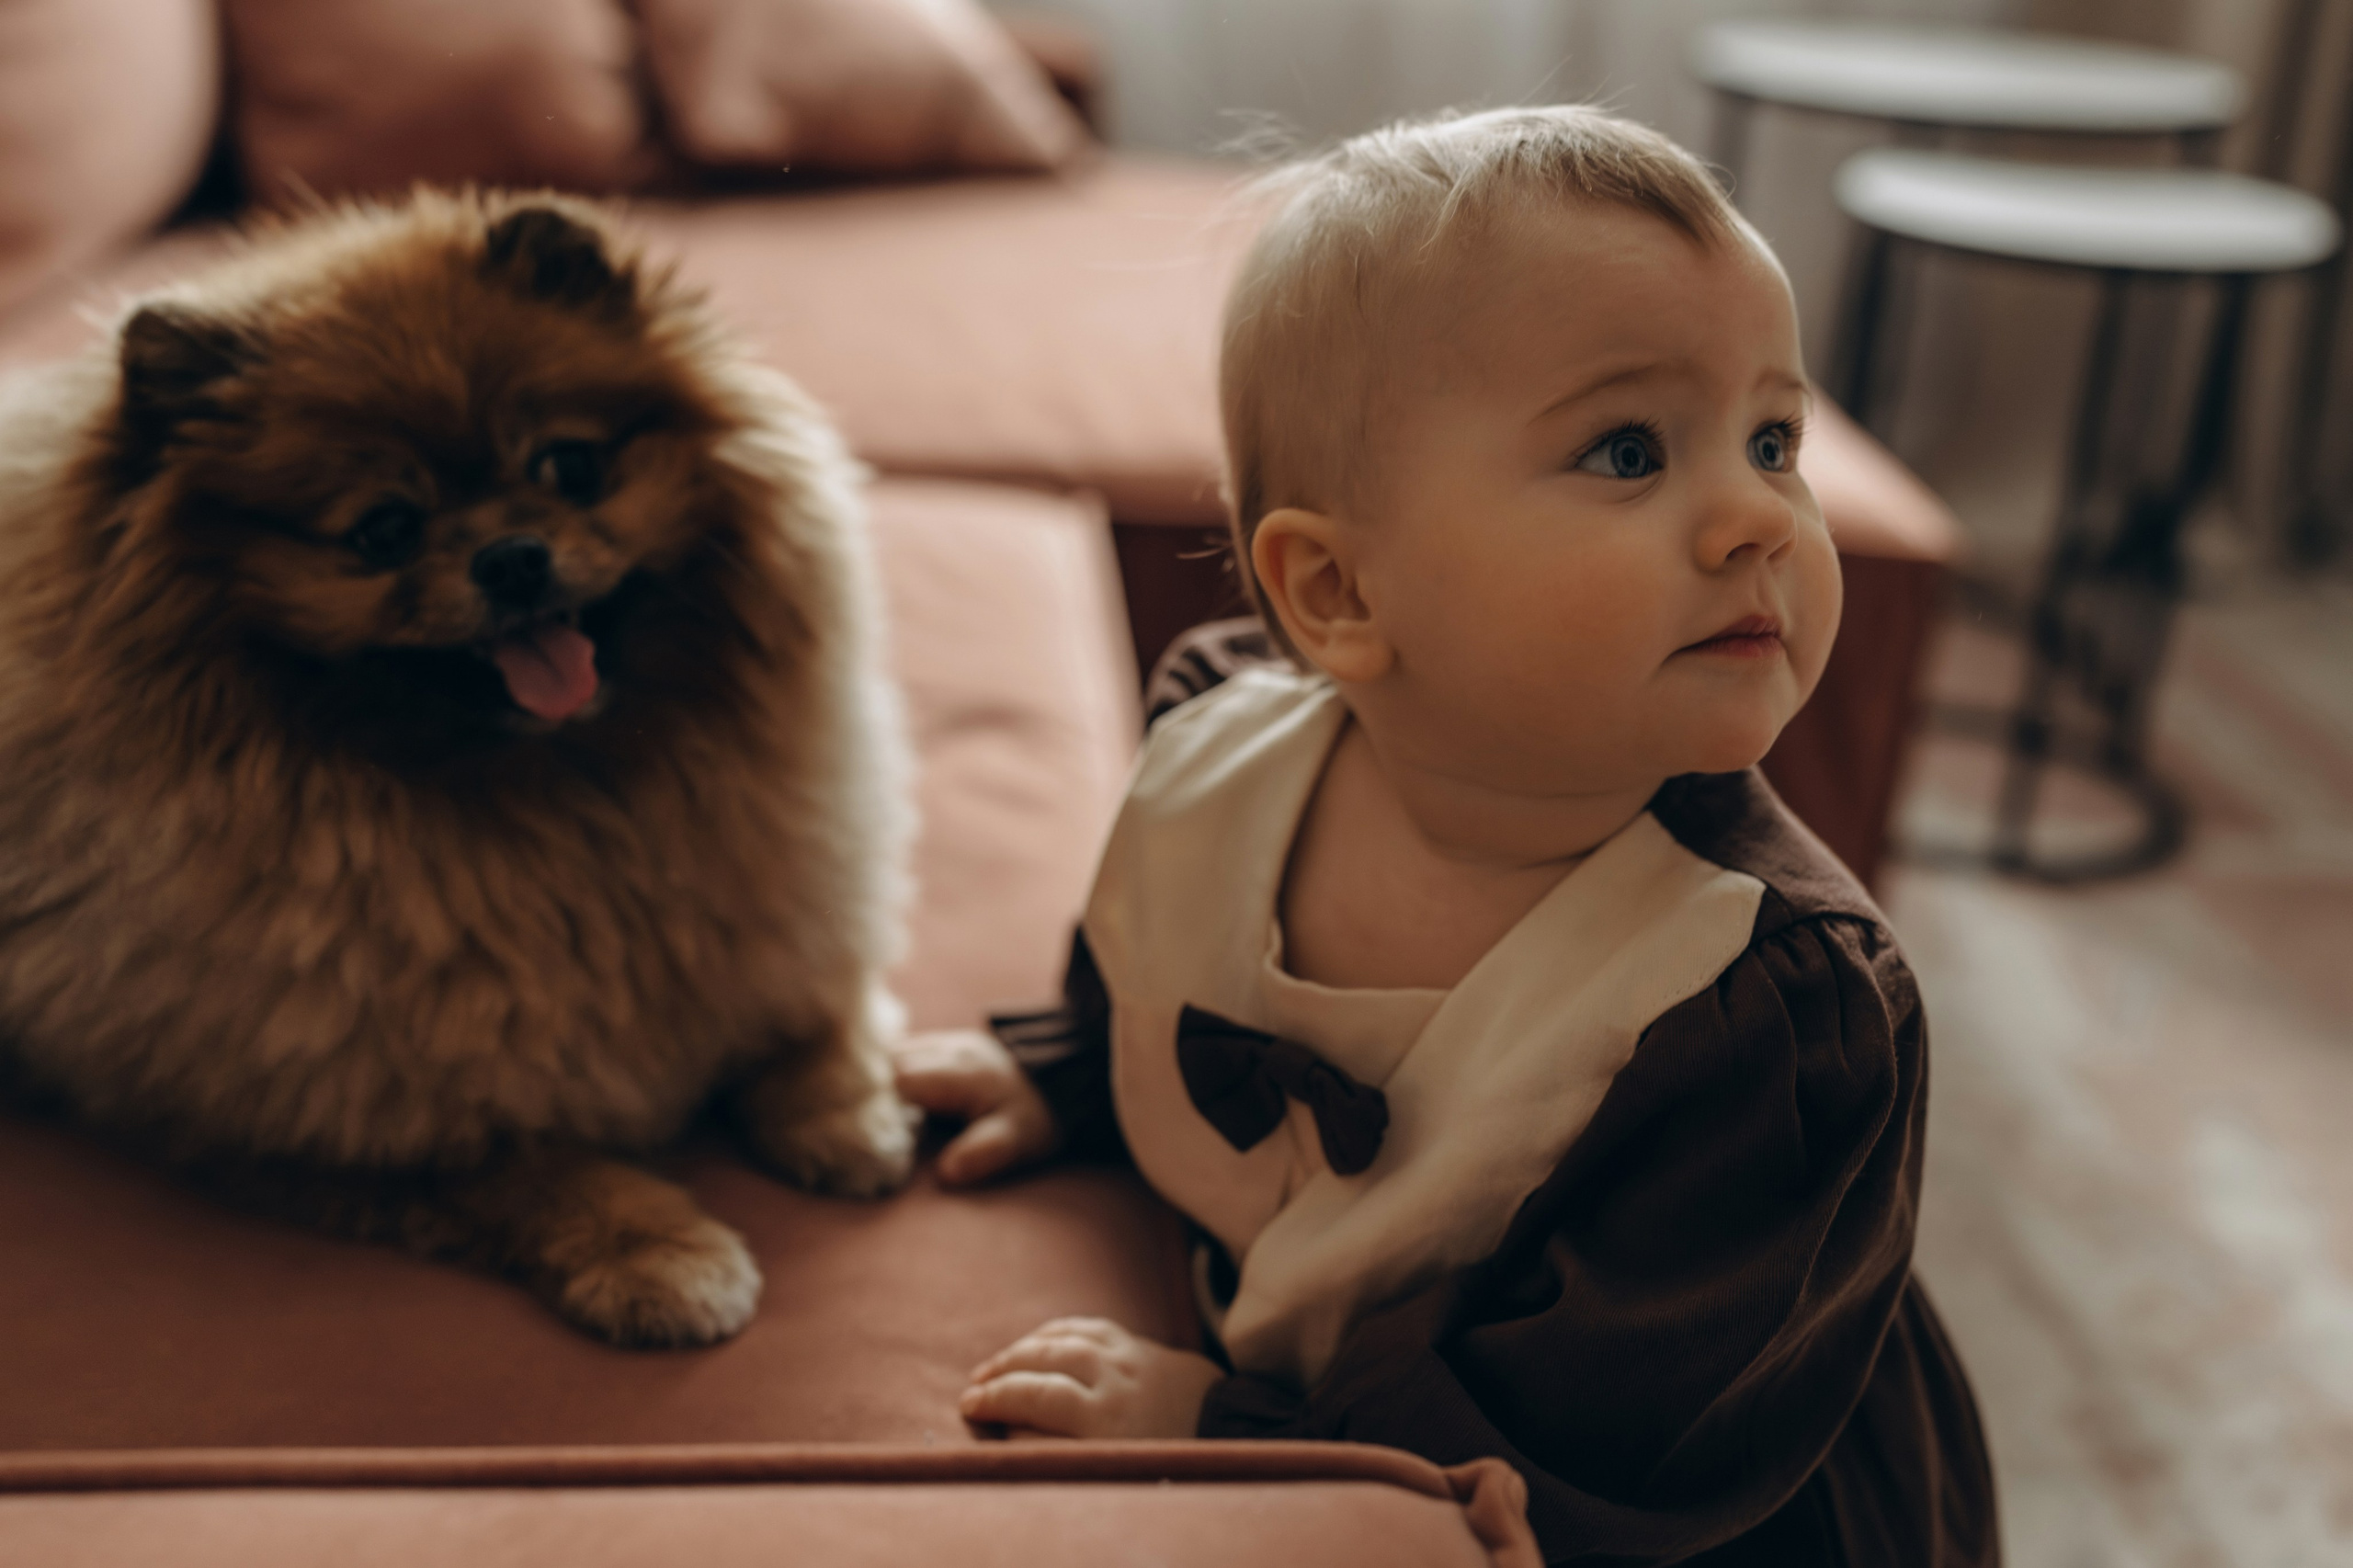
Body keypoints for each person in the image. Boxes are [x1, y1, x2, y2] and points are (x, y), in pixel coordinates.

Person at [891, 104, 1998, 1566]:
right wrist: (1070, 1073)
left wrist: (1236, 1431)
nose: (1759, 518)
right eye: (1629, 449)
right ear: (1338, 594)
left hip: (1678, 1499)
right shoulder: (1217, 739)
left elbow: (1601, 1438)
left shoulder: (1775, 1008)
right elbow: (1152, 949)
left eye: (1774, 439)